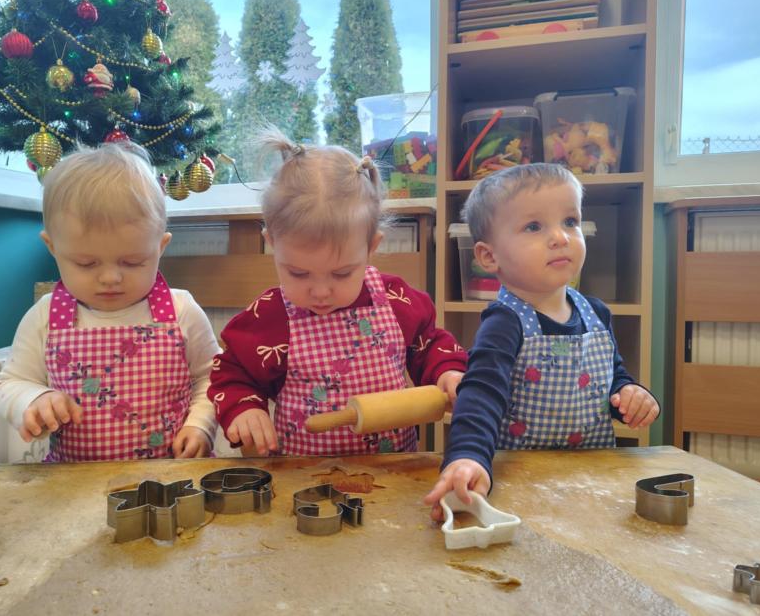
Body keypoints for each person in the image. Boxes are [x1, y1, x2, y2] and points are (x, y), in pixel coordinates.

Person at [209, 129, 468, 456]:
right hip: (303, 475)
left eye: (342, 273)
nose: (320, 292)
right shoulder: (270, 316)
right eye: (298, 273)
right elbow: (232, 373)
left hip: (394, 471)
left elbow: (429, 344)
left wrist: (447, 371)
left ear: (371, 247)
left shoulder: (394, 300)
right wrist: (244, 409)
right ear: (272, 243)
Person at [424, 163, 659, 518]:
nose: (560, 237)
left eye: (570, 221)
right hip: (523, 483)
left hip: (588, 481)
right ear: (489, 256)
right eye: (534, 226)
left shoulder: (596, 313)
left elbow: (611, 379)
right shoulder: (504, 322)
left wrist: (629, 395)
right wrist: (468, 457)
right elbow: (481, 394)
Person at [0, 142, 220, 461]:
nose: (111, 277)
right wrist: (32, 399)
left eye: (133, 262)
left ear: (160, 247)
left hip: (170, 477)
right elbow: (11, 382)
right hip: (73, 481)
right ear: (53, 247)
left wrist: (200, 426)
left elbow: (213, 377)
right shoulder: (45, 316)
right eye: (86, 263)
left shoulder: (181, 311)